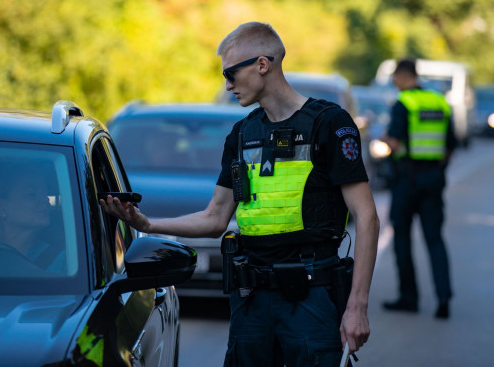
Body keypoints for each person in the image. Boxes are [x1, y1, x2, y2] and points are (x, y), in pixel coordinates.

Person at [101, 21, 379, 366]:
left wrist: (357, 306)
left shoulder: (329, 124)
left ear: (263, 64)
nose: (228, 84)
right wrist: (149, 223)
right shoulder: (242, 133)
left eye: (232, 73)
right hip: (251, 302)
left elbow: (367, 217)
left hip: (312, 297)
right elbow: (215, 218)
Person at [381, 58, 455, 319]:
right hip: (433, 178)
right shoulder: (440, 102)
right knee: (434, 239)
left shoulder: (403, 105)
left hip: (406, 181)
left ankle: (408, 298)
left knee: (402, 238)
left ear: (403, 75)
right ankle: (443, 298)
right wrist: (436, 170)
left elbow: (395, 143)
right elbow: (450, 146)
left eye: (394, 77)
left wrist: (386, 141)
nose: (393, 82)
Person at [0, 165, 66, 272]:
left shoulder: (63, 261)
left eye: (45, 194)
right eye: (31, 194)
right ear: (1, 208)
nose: (45, 200)